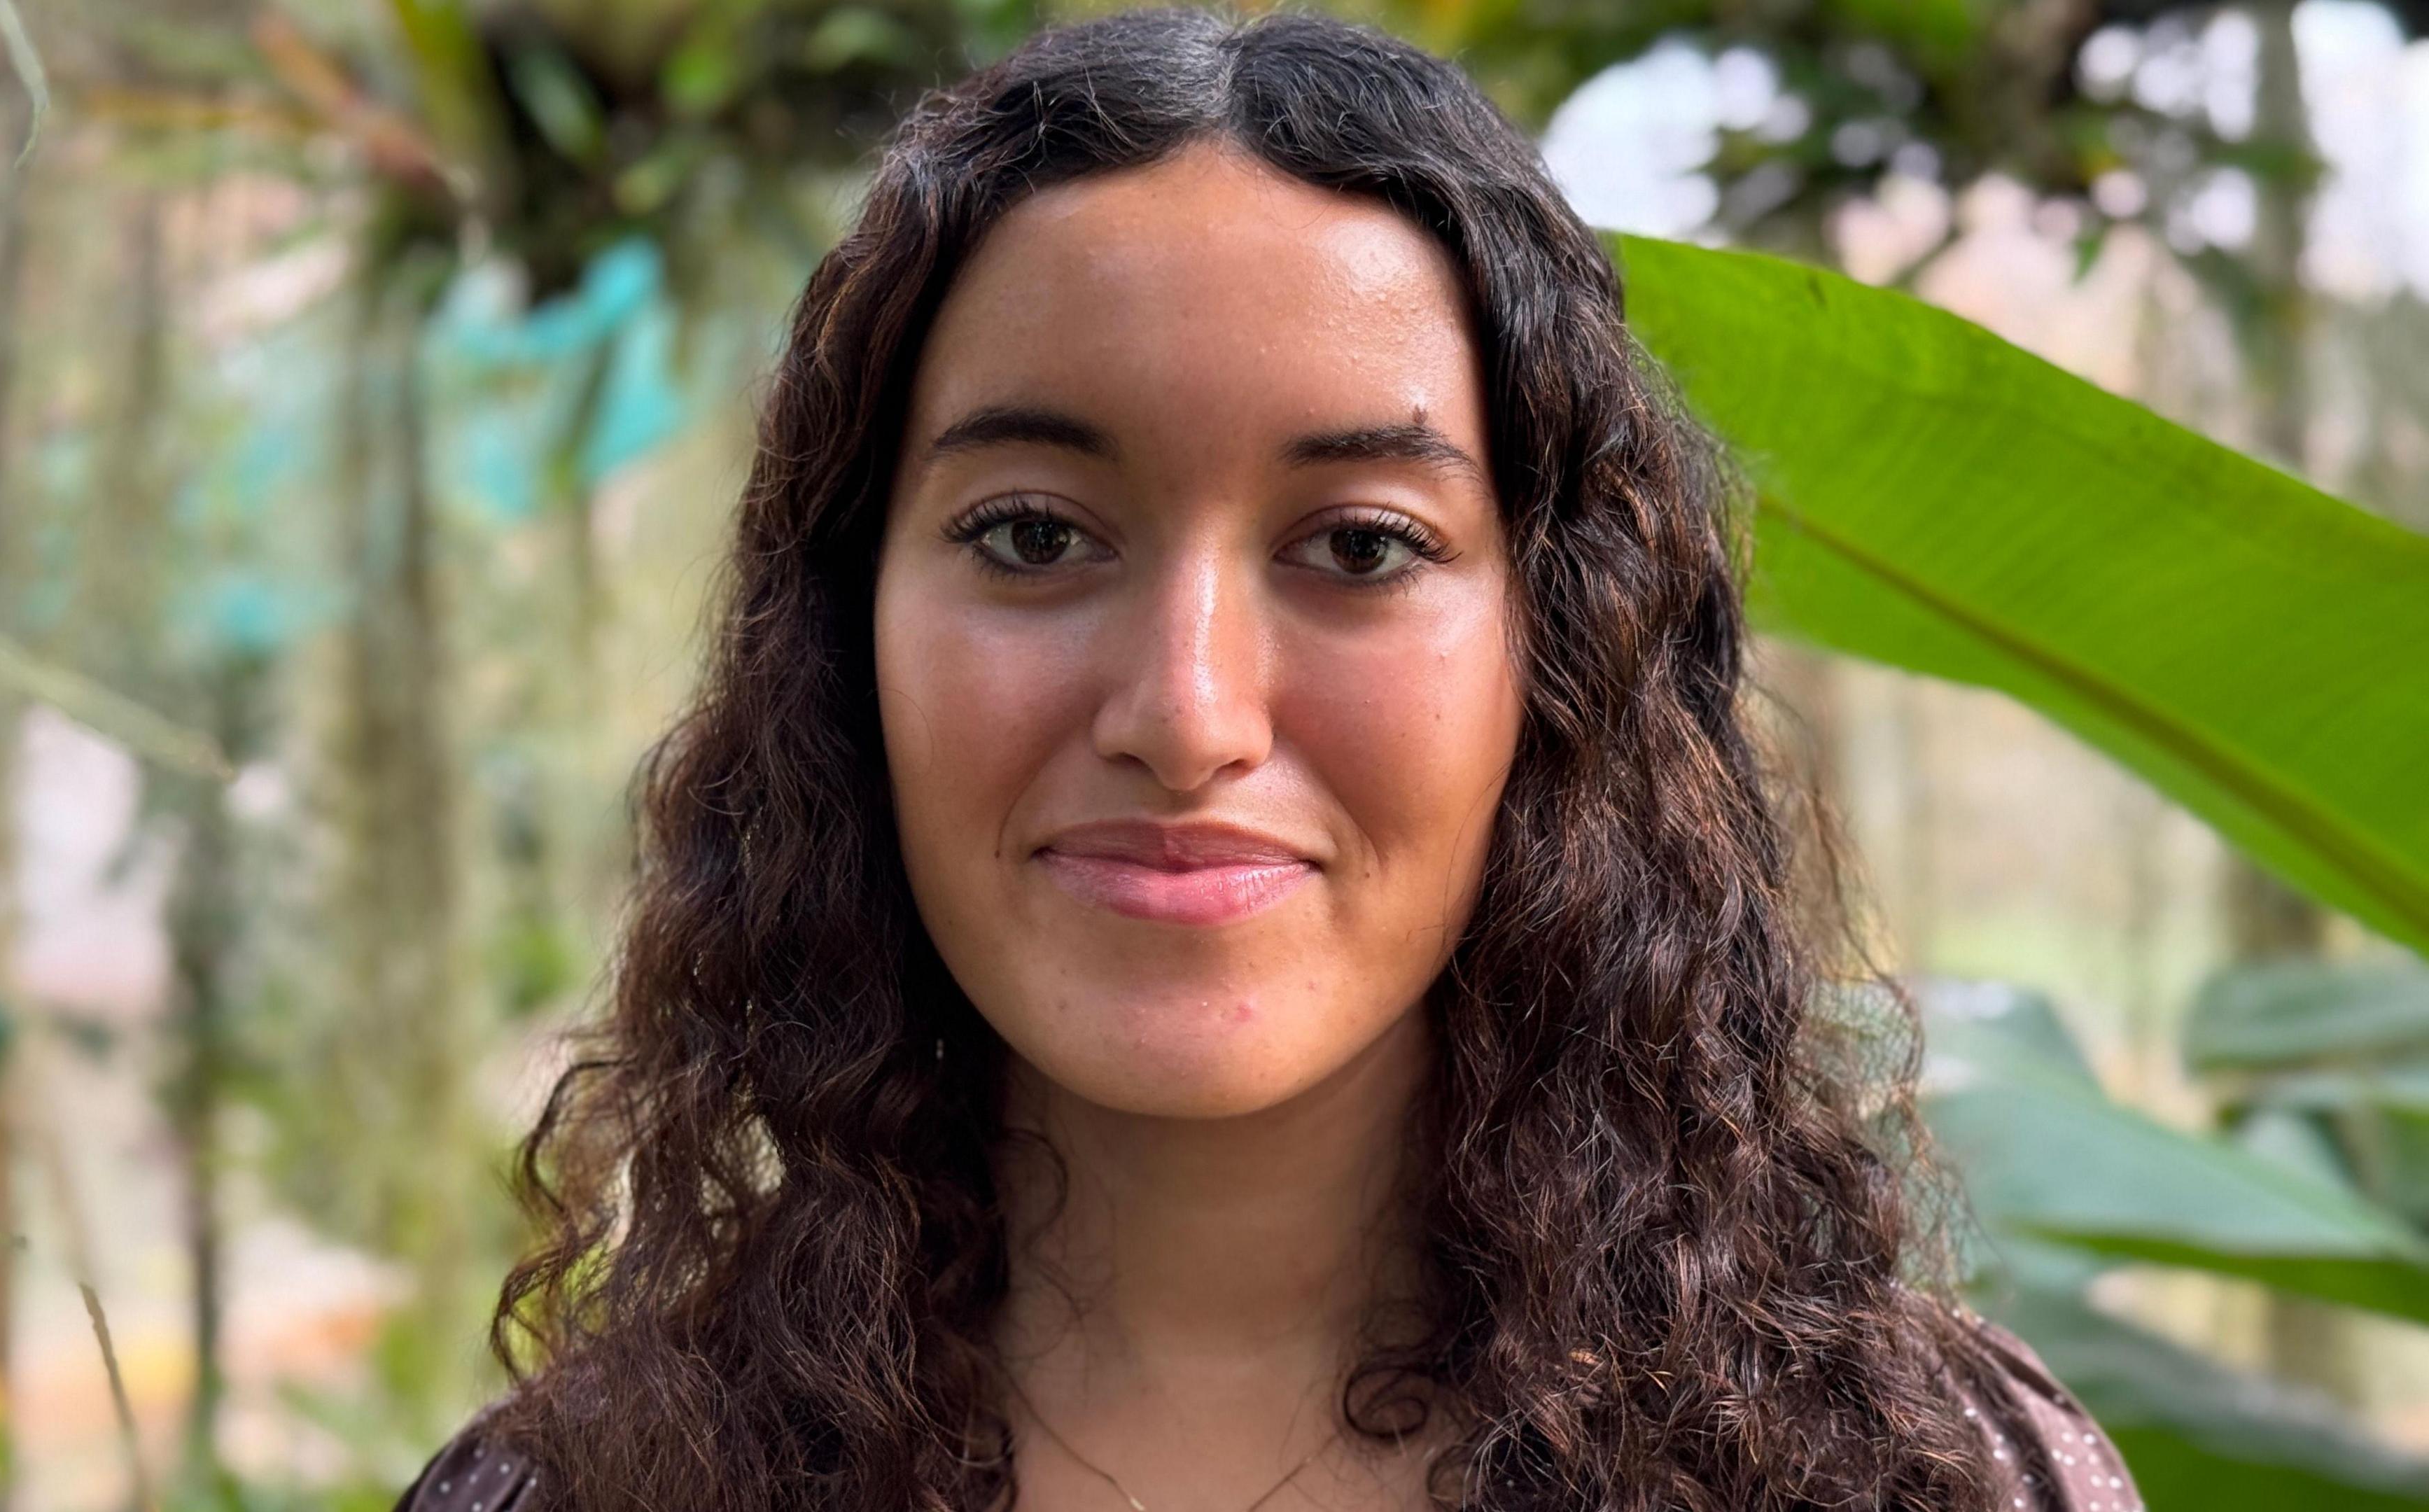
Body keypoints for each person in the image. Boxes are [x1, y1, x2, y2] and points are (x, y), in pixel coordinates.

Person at [396, 8, 2142, 1511]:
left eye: (1364, 546)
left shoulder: (1926, 1475)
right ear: (842, 641)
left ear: (1562, 651)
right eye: (1028, 536)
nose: (1188, 711)